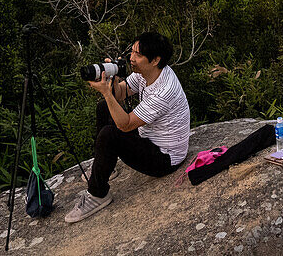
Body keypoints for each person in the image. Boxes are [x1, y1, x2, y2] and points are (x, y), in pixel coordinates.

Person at [65, 31, 191, 223]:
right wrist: (113, 78)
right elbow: (122, 93)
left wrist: (107, 94)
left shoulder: (164, 91)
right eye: (132, 51)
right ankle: (104, 164)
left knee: (110, 134)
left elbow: (124, 125)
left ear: (155, 60)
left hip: (164, 157)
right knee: (103, 108)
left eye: (138, 55)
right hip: (147, 138)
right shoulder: (147, 72)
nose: (131, 58)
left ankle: (98, 195)